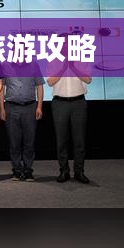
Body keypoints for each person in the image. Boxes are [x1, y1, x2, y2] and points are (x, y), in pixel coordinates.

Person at [47, 35, 92, 184]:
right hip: (60, 103)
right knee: (61, 140)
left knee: (79, 140)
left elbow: (88, 79)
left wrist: (73, 67)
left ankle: (79, 171)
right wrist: (62, 68)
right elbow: (50, 82)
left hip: (78, 102)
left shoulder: (82, 57)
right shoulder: (53, 59)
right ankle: (64, 171)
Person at [0, 61, 44, 182]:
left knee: (29, 141)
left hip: (30, 107)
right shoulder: (5, 65)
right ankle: (17, 170)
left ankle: (28, 170)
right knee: (14, 141)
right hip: (11, 107)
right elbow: (1, 87)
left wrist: (39, 107)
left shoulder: (34, 64)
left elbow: (39, 86)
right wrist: (1, 108)